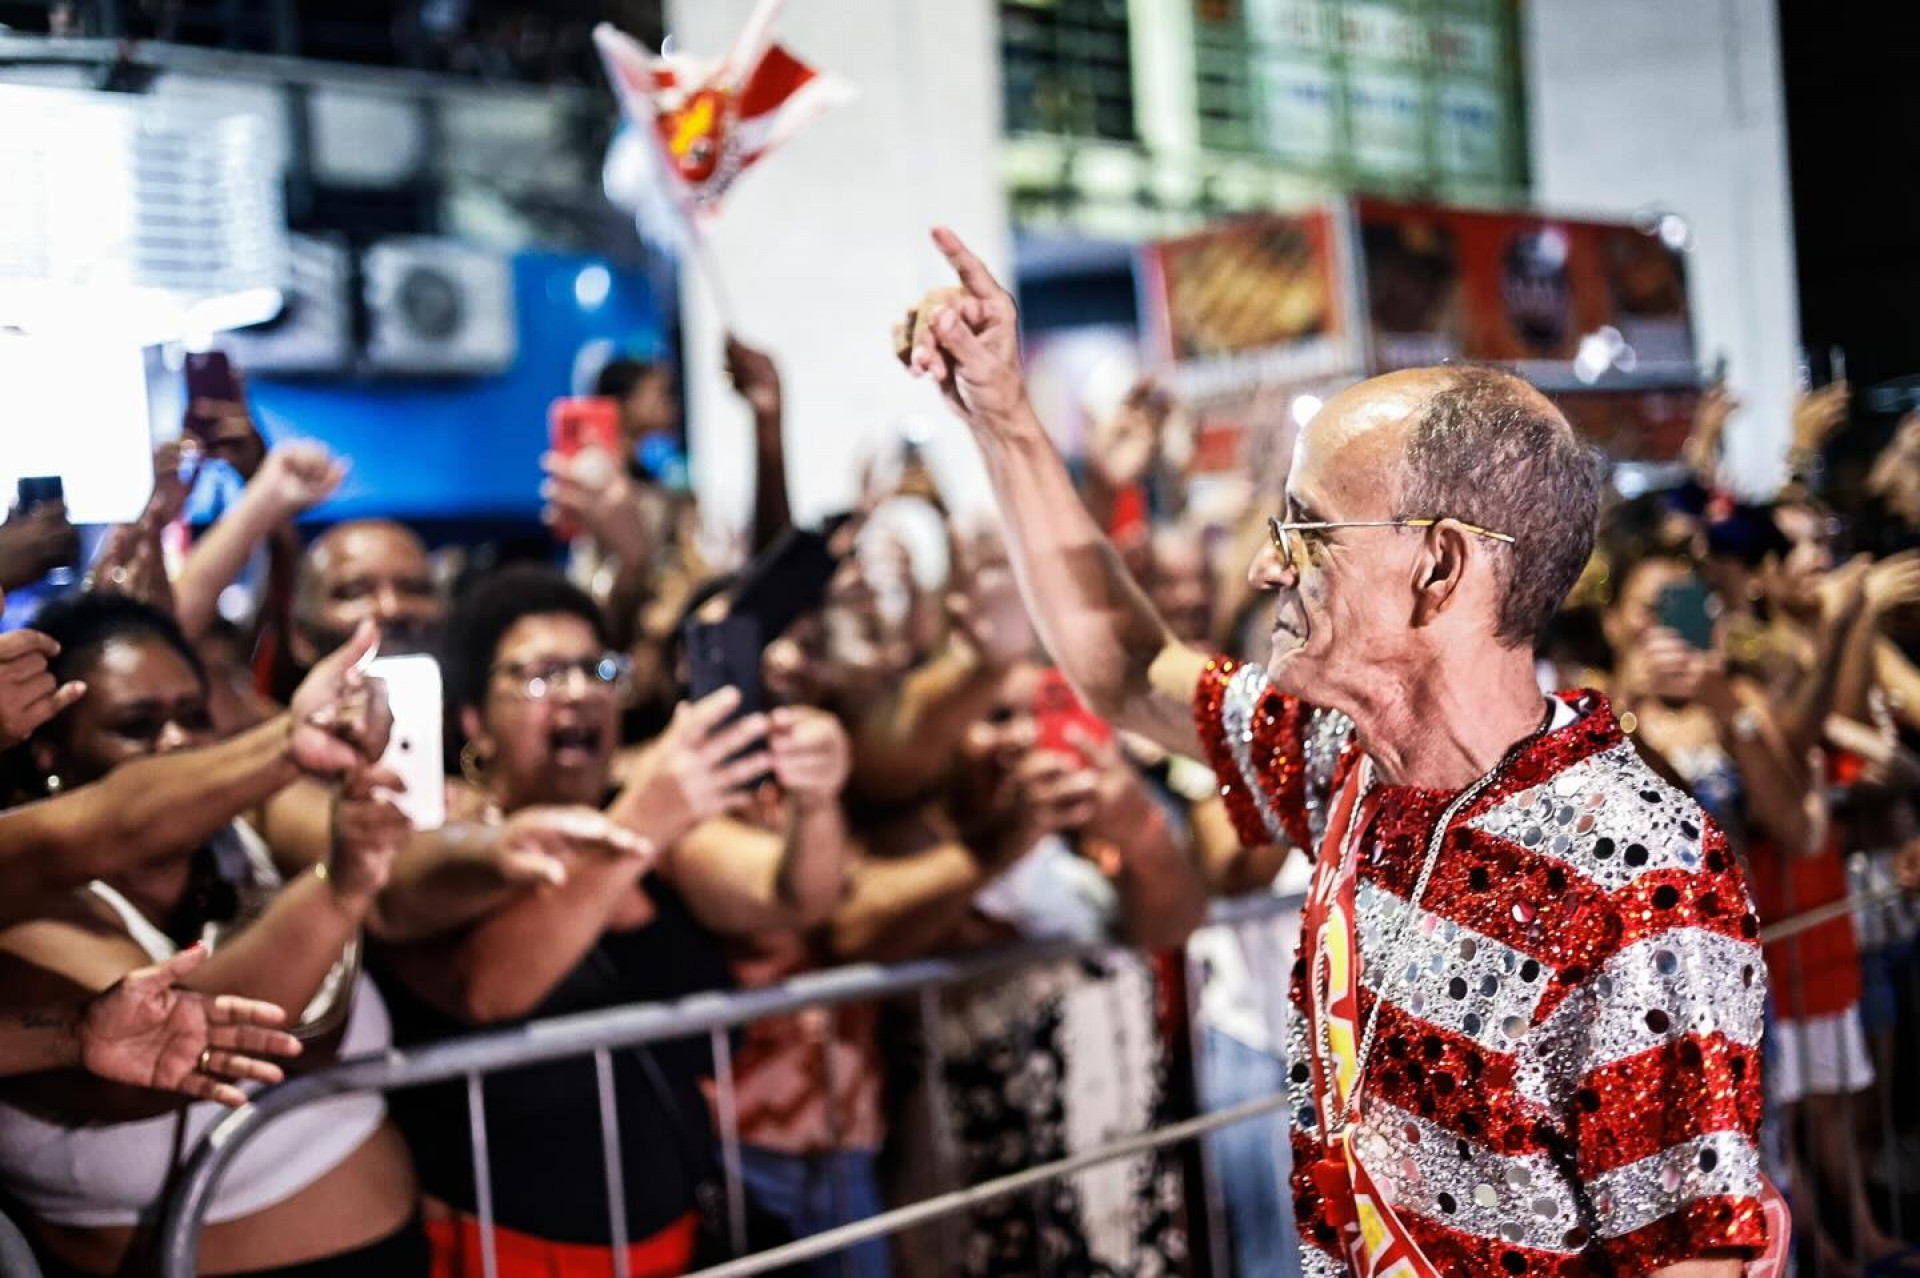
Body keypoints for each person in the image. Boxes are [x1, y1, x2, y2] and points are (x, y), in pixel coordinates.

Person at [902, 226, 1774, 1277]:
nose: (1271, 567)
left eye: (1308, 532)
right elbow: (1127, 667)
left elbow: (1692, 1260)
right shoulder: (1347, 759)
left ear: (1439, 567)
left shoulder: (1643, 878)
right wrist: (1001, 417)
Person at [371, 565, 849, 1278]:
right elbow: (488, 989)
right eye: (540, 674)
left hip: (673, 1243)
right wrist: (644, 817)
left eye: (597, 668)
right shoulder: (450, 843)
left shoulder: (659, 823)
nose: (577, 692)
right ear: (474, 720)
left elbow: (794, 897)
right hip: (507, 1255)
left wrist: (817, 797)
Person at [0, 592, 424, 1277]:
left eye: (195, 718)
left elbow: (414, 872)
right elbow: (190, 1034)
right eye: (138, 725)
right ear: (49, 750)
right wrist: (335, 886)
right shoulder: (25, 897)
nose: (177, 744)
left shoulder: (244, 826)